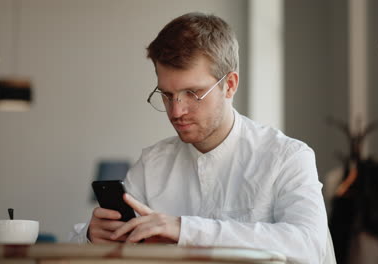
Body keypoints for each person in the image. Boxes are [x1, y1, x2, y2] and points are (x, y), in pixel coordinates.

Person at [71, 12, 333, 264]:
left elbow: (308, 245)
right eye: (166, 95)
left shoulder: (288, 157)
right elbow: (79, 244)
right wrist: (92, 237)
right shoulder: (152, 164)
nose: (176, 111)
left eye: (192, 93)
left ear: (229, 84)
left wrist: (185, 230)